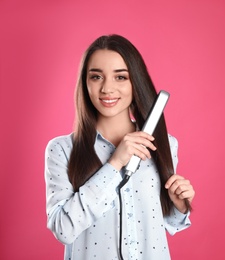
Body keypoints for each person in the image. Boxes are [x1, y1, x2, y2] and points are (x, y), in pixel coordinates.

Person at [44, 34, 195, 260]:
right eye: (96, 77)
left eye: (120, 77)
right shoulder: (62, 150)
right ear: (85, 83)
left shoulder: (163, 144)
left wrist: (180, 206)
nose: (107, 88)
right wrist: (115, 163)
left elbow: (161, 223)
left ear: (136, 81)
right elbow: (63, 229)